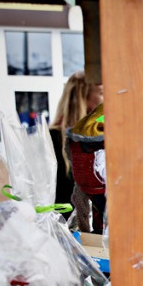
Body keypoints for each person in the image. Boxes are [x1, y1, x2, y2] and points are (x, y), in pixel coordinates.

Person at [50, 71, 104, 231]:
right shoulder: (54, 137)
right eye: (101, 93)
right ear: (82, 97)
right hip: (64, 227)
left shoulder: (103, 136)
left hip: (98, 226)